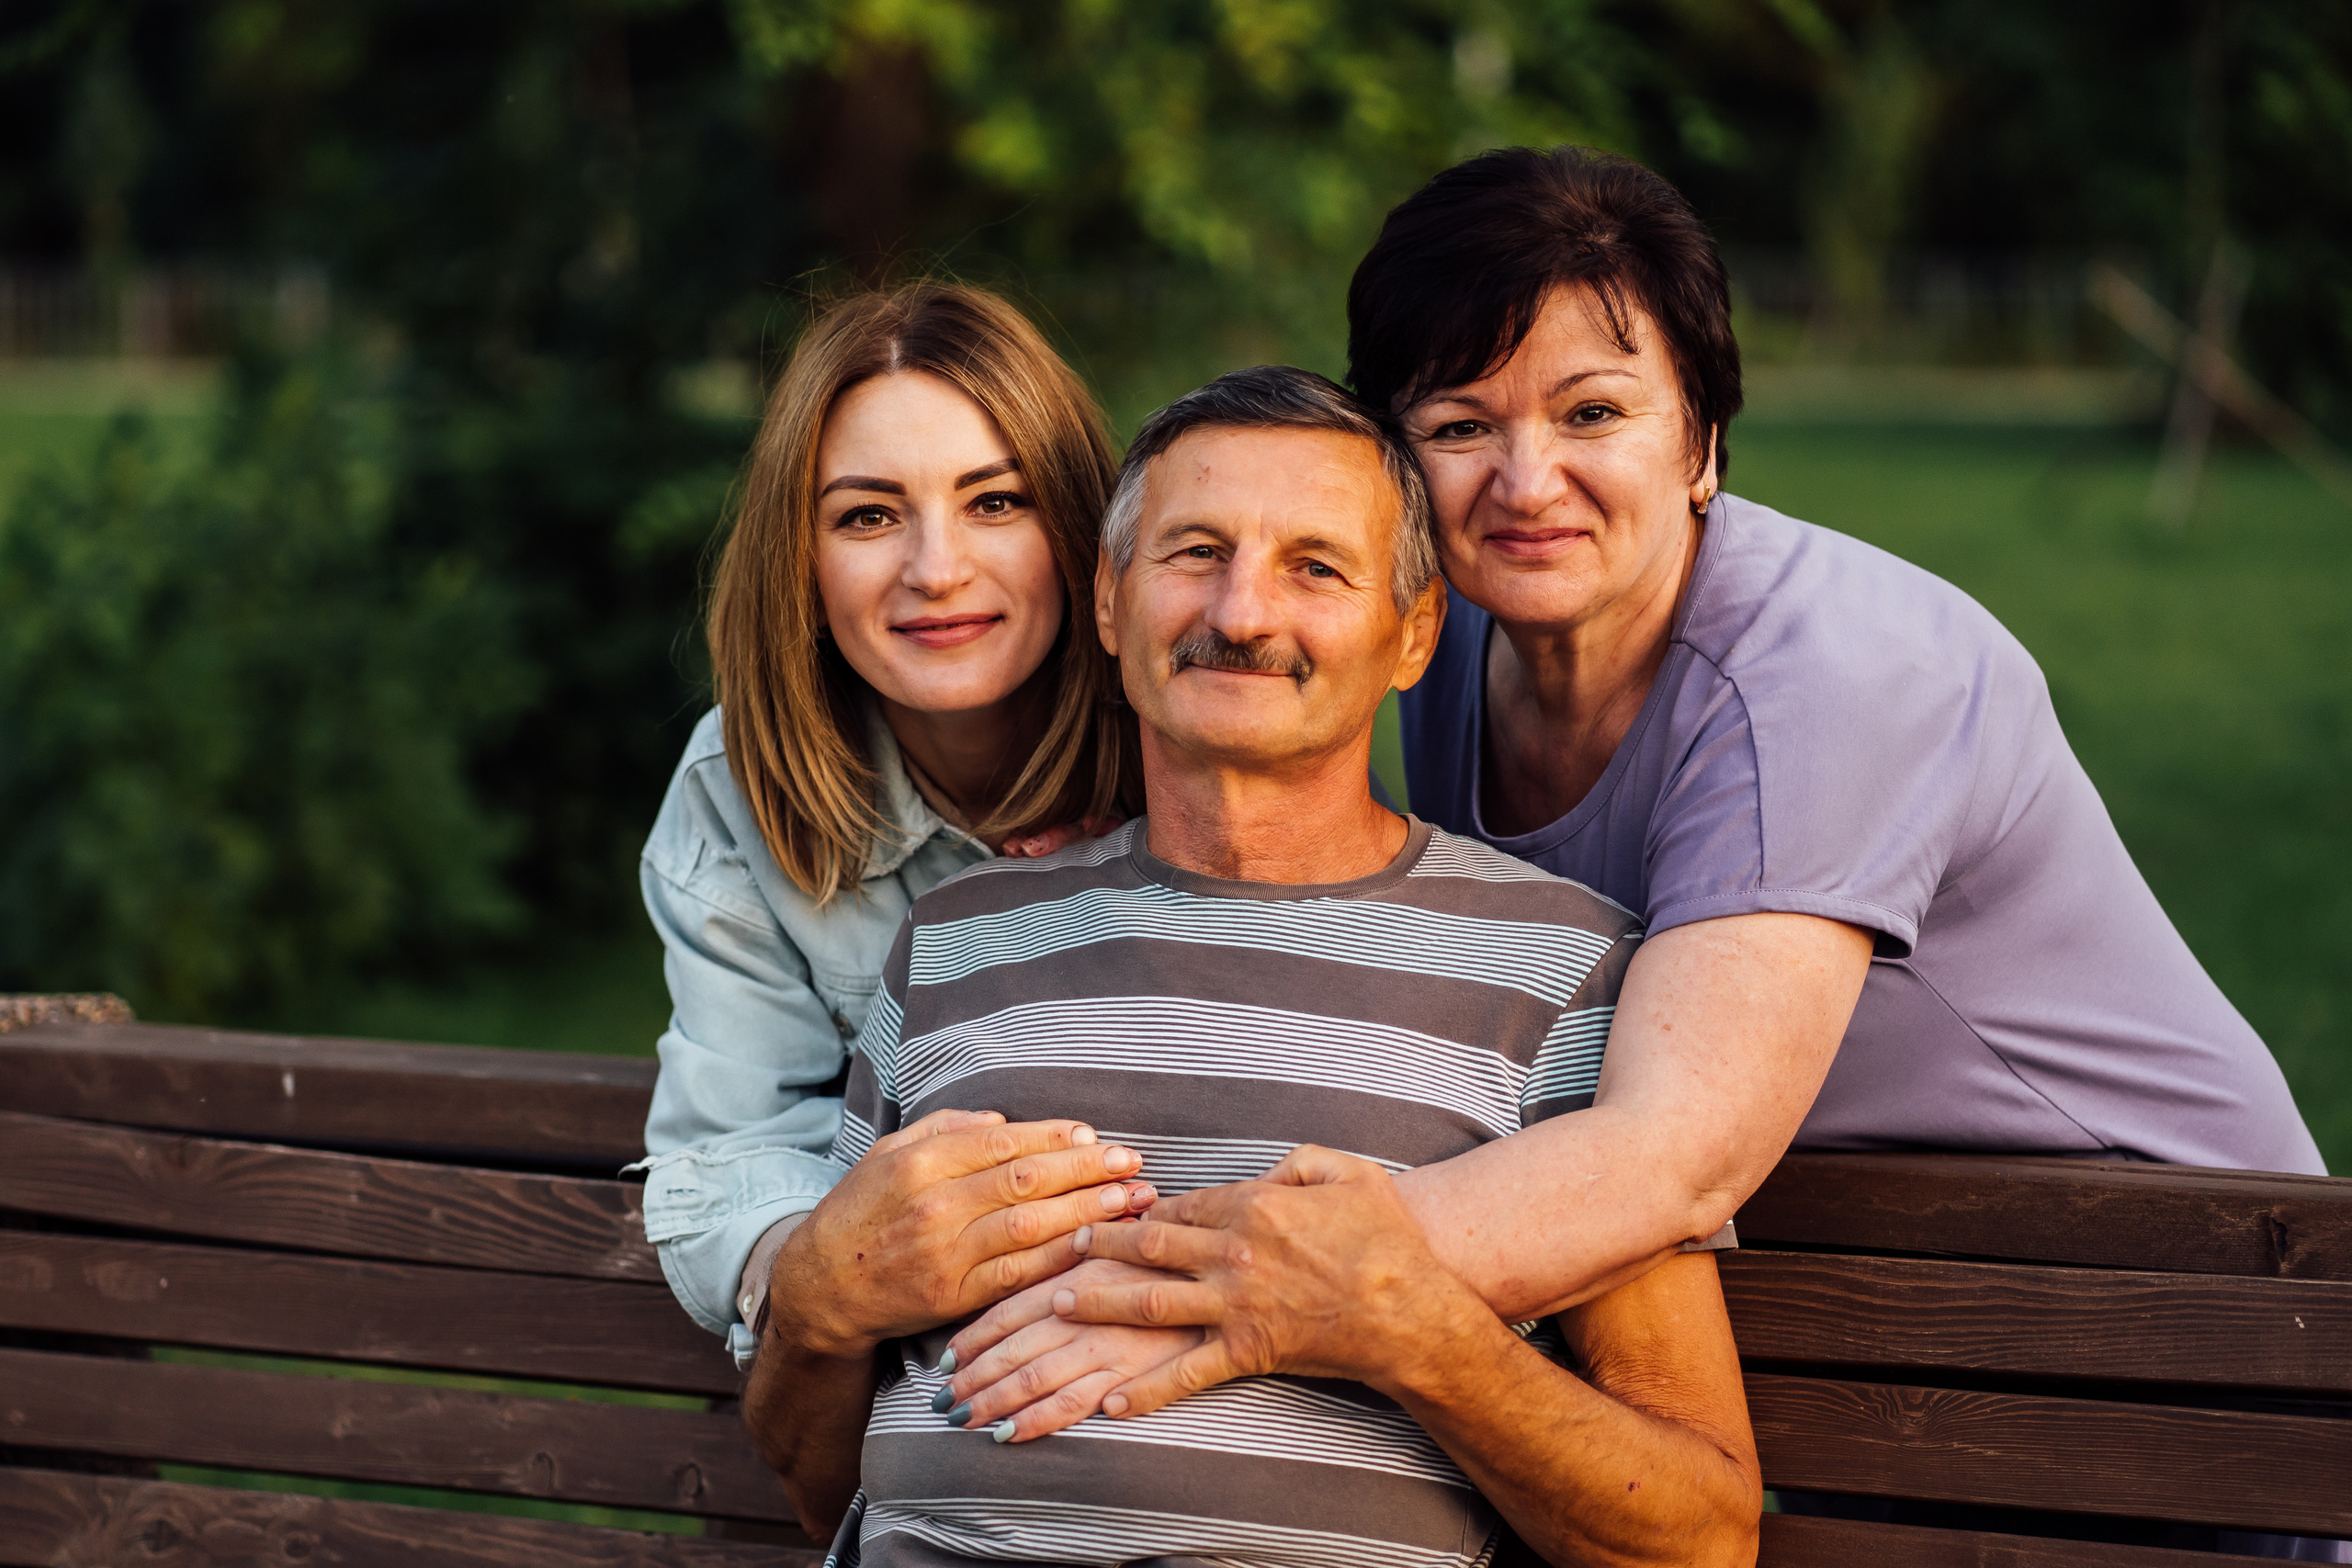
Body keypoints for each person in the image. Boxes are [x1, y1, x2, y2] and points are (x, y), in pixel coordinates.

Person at [752, 366, 1762, 1568]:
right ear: (1112, 601)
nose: (1242, 610)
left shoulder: (1563, 969)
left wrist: (1413, 1333)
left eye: (1315, 567)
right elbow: (820, 1488)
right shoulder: (956, 940)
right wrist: (816, 1302)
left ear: (1414, 633)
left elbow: (1700, 1535)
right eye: (1195, 551)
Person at [632, 283, 1157, 1353]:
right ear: (801, 556)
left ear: (1076, 523)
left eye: (995, 501)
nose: (936, 569)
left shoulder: (1186, 733)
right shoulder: (739, 786)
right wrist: (836, 1276)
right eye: (868, 515)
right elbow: (731, 1163)